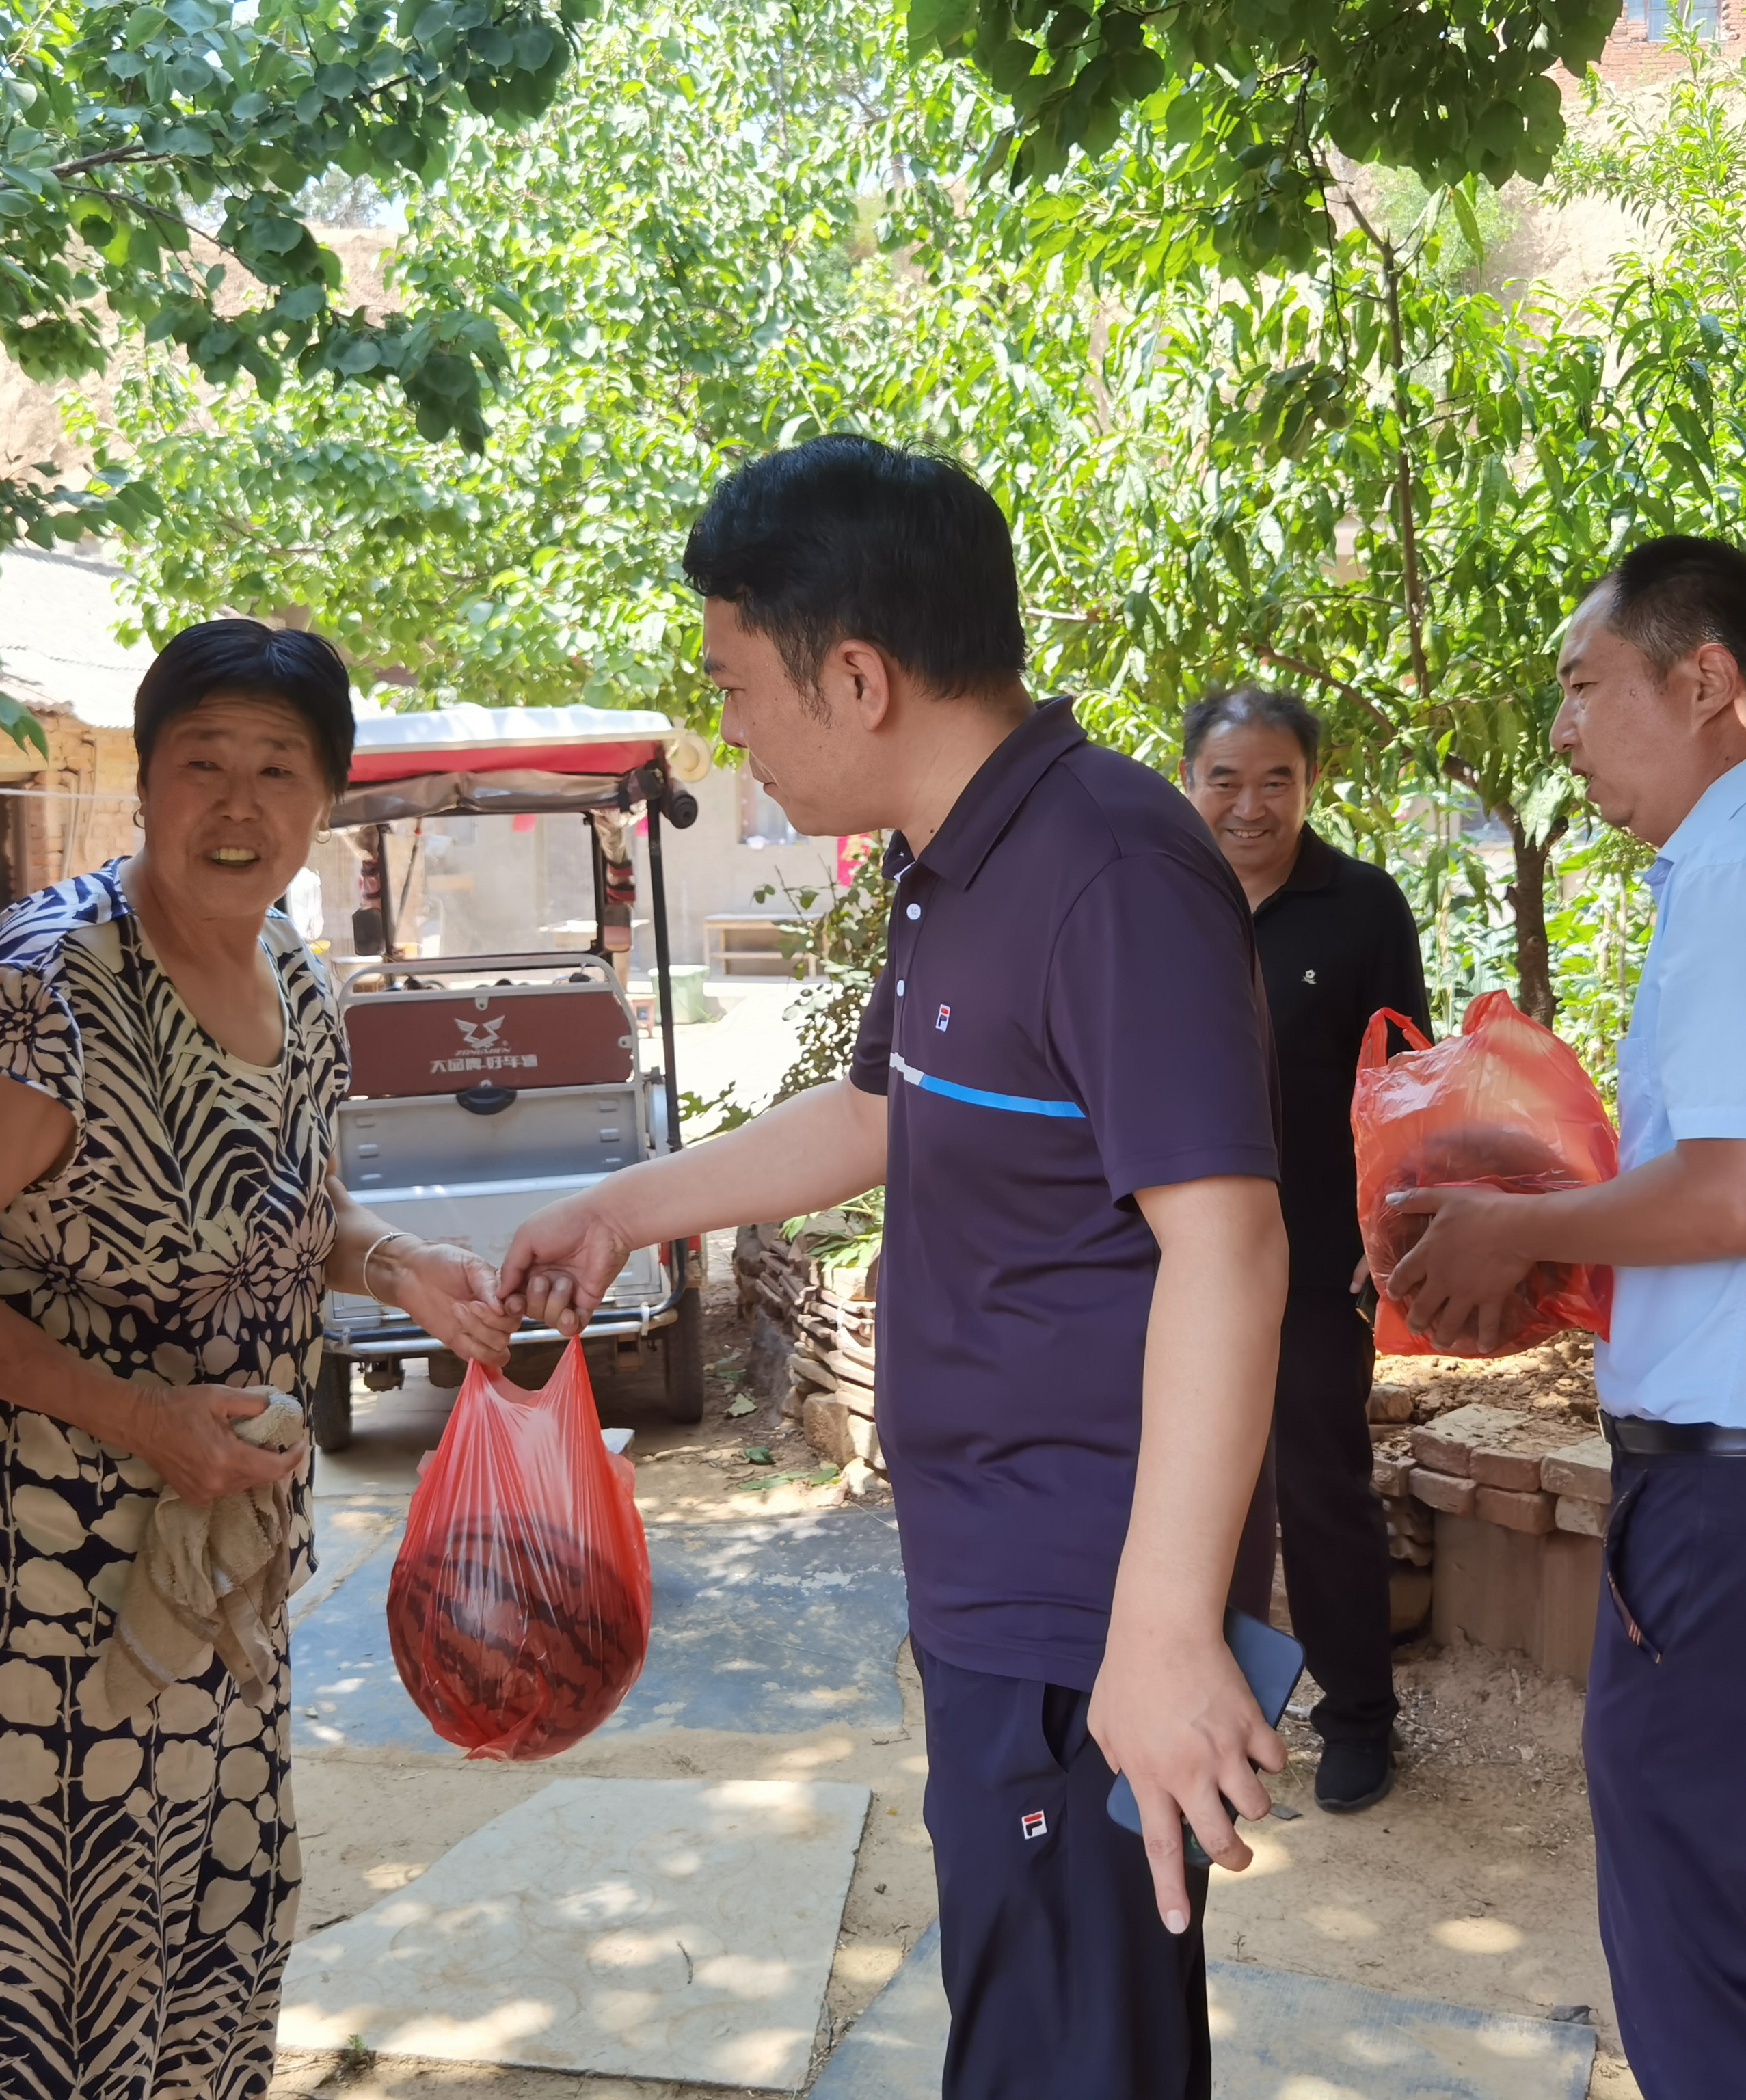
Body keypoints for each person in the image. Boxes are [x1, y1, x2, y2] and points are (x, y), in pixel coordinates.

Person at [500, 435, 1290, 2099]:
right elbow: (878, 1109)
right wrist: (623, 1209)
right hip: (999, 1579)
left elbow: (1228, 1246)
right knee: (1037, 2033)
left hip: (1085, 1602)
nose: (728, 729)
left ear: (854, 678)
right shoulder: (958, 863)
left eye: (735, 685)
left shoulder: (1108, 868)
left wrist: (1160, 1632)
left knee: (1061, 2058)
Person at [0, 620, 511, 2097]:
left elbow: (289, 1213)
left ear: (324, 798)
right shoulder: (51, 987)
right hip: (33, 1578)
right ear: (142, 780)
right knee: (75, 1982)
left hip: (214, 1555)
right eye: (202, 762)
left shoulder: (292, 973)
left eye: (278, 768)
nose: (237, 803)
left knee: (221, 1927)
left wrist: (401, 1266)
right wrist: (140, 1419)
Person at [1387, 537, 1746, 2097]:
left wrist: (1516, 1228)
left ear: (1706, 681)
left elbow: (1738, 1198)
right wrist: (1571, 1249)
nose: (1562, 732)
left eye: (1585, 688)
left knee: (1704, 1960)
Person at [1181, 688, 1429, 1814]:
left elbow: (1405, 1081)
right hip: (1172, 1261)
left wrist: (1392, 1227)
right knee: (1187, 1489)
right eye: (1225, 779)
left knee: (1321, 1487)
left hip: (1315, 1262)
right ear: (1189, 781)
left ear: (1310, 783)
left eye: (1275, 779)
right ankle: (1199, 1711)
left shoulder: (1363, 906)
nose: (1250, 805)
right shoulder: (1158, 900)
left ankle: (1359, 1718)